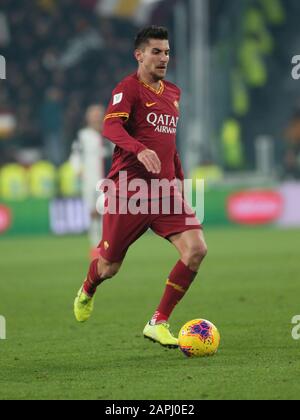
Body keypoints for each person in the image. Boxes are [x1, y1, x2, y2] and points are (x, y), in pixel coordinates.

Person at [74, 26, 207, 348]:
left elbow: (169, 145)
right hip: (128, 193)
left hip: (164, 193)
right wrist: (138, 149)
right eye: (156, 52)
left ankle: (158, 322)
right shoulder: (128, 89)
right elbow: (110, 125)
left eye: (167, 52)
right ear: (139, 55)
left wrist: (179, 179)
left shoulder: (173, 93)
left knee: (196, 250)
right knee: (109, 266)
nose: (164, 58)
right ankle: (88, 287)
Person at [70, 104, 111, 257]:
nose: (96, 118)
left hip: (108, 181)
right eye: (93, 115)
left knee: (106, 213)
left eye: (98, 114)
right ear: (88, 117)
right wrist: (77, 170)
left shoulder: (110, 133)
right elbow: (75, 155)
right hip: (90, 181)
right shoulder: (83, 135)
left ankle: (105, 245)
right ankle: (95, 246)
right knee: (93, 214)